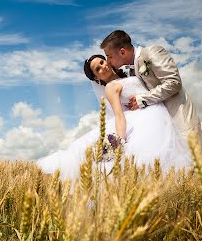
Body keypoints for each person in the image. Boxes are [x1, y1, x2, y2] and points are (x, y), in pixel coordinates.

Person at [36, 54, 191, 180]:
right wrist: (120, 140)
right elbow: (119, 115)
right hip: (144, 121)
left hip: (157, 114)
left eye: (102, 62)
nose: (103, 66)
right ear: (97, 78)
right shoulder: (110, 88)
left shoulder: (130, 72)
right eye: (98, 69)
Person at [101, 30, 202, 152]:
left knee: (193, 167)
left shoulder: (152, 53)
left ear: (122, 52)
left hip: (181, 122)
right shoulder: (131, 71)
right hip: (163, 129)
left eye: (109, 56)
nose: (108, 61)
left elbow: (174, 82)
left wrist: (142, 99)